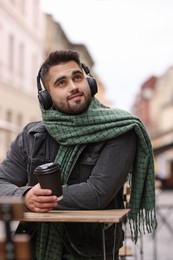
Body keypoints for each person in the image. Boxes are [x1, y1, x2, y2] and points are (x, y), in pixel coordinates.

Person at [0, 50, 157, 259]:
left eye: (77, 77)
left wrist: (42, 200)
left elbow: (96, 193)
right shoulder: (31, 136)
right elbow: (2, 182)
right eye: (61, 83)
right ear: (46, 98)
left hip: (90, 252)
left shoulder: (120, 129)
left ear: (89, 83)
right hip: (33, 249)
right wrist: (25, 197)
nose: (73, 86)